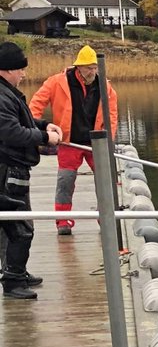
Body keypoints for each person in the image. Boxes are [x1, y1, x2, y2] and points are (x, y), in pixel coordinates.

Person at [29, 45, 117, 236]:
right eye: (88, 68)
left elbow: (112, 115)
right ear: (78, 67)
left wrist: (109, 140)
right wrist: (34, 129)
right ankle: (63, 220)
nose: (92, 72)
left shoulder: (106, 87)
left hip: (96, 143)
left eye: (95, 67)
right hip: (69, 142)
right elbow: (36, 103)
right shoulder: (57, 82)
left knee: (105, 181)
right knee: (65, 181)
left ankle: (106, 216)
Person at [0, 42, 62, 298]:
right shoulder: (1, 95)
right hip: (6, 170)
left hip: (15, 168)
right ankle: (13, 281)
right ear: (7, 70)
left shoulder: (8, 92)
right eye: (20, 70)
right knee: (19, 226)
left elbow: (22, 119)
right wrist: (44, 138)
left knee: (17, 223)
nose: (24, 74)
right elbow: (10, 131)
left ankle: (17, 271)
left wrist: (44, 125)